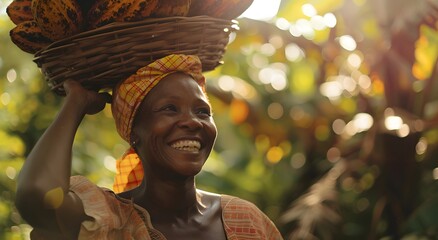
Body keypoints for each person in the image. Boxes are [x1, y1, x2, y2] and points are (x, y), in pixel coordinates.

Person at [15, 54, 283, 239]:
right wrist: (76, 102)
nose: (192, 122)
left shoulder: (246, 220)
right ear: (134, 133)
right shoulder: (108, 220)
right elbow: (38, 195)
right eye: (169, 109)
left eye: (202, 112)